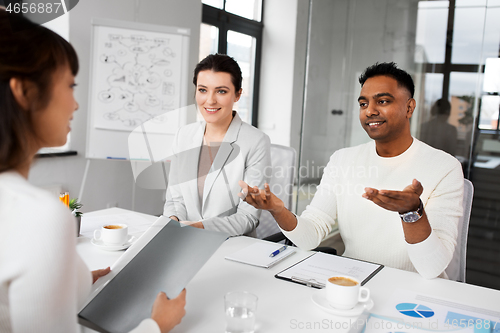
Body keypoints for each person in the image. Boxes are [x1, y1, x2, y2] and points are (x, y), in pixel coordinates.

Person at [0, 12, 185, 333]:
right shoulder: (40, 216)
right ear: (24, 92)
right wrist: (157, 325)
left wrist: (74, 281)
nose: (76, 104)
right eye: (70, 86)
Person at [239, 62, 464, 279]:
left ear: (409, 107)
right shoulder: (343, 160)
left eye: (383, 101)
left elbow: (431, 268)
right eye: (363, 104)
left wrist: (412, 213)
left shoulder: (444, 168)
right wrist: (278, 210)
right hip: (354, 284)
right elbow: (309, 237)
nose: (370, 111)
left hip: (413, 294)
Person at [163, 54, 271, 237]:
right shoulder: (184, 135)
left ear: (237, 94)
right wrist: (173, 222)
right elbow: (175, 198)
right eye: (203, 90)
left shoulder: (256, 141)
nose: (210, 100)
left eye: (221, 91)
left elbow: (248, 217)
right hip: (183, 241)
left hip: (231, 246)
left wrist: (199, 227)